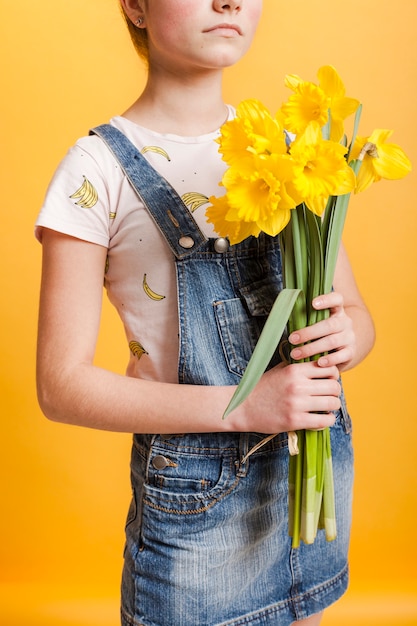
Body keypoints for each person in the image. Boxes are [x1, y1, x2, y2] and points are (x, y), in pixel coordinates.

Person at [35, 1, 375, 625]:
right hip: (196, 516)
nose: (229, 1)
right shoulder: (96, 170)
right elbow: (61, 387)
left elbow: (354, 312)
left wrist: (349, 333)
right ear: (134, 6)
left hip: (310, 495)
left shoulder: (292, 151)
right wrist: (244, 405)